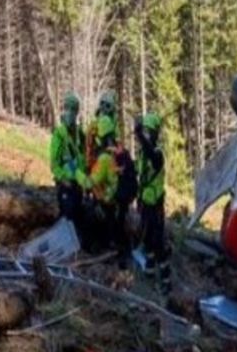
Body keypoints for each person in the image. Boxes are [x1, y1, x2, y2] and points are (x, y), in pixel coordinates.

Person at [87, 115, 134, 269]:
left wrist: (77, 173)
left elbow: (93, 180)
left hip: (111, 197)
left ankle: (113, 252)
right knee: (117, 224)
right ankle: (121, 251)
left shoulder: (105, 156)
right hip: (119, 196)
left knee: (108, 222)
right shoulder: (117, 148)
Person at [136, 113, 169, 290]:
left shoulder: (157, 154)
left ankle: (165, 281)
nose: (147, 135)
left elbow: (151, 153)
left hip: (156, 204)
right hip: (145, 203)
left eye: (149, 132)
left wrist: (139, 134)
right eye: (145, 131)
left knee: (158, 242)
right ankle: (149, 273)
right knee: (147, 239)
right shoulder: (143, 154)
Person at [50, 92, 86, 220]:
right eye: (68, 108)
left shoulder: (80, 134)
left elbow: (84, 157)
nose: (70, 112)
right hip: (66, 185)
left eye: (73, 109)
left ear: (77, 112)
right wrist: (63, 179)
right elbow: (54, 164)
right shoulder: (59, 134)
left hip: (78, 185)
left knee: (78, 220)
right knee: (66, 219)